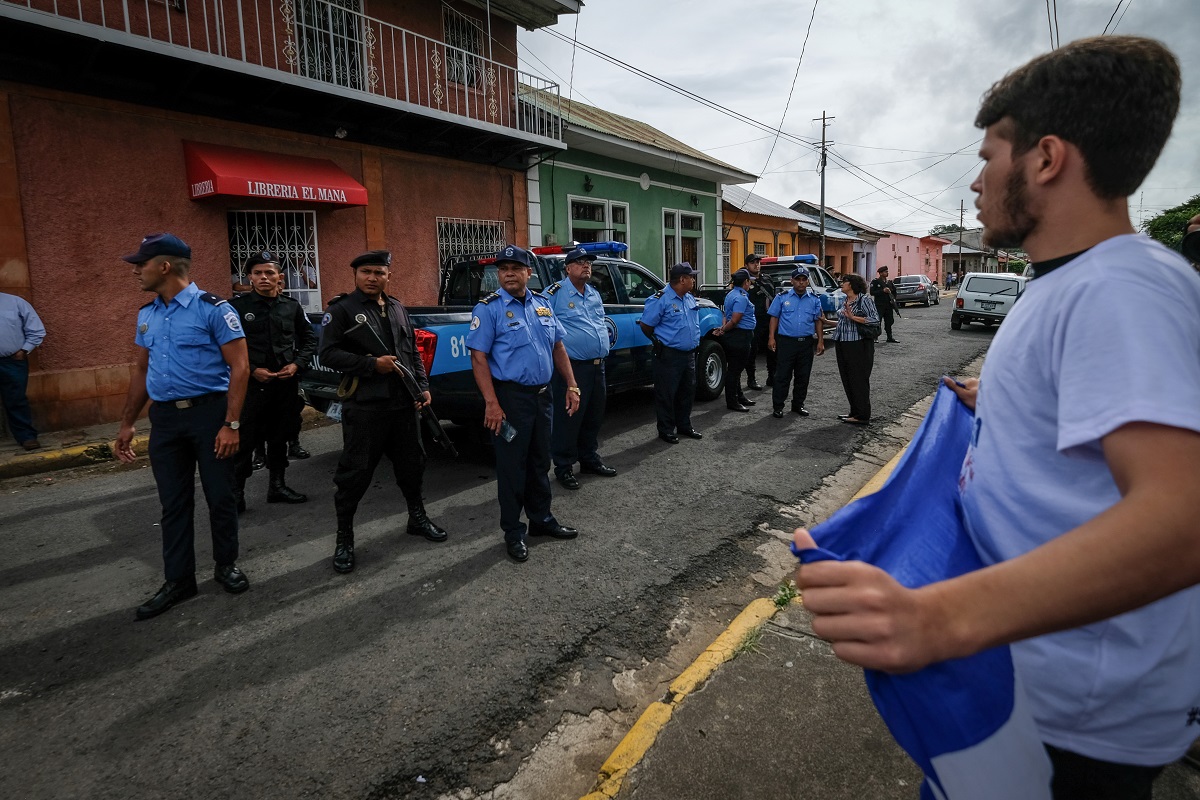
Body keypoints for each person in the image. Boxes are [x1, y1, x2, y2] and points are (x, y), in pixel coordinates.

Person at [793, 37, 1200, 800]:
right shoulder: (1069, 283)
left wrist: (940, 618)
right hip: (1026, 684)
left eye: (988, 157)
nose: (977, 183)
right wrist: (1009, 409)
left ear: (1045, 159)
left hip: (1073, 720)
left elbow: (1184, 518)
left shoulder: (1120, 288)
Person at [113, 233, 250, 620]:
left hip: (210, 415)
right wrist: (127, 424)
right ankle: (179, 580)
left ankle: (226, 565)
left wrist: (232, 424)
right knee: (173, 504)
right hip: (166, 420)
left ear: (165, 266)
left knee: (220, 496)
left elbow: (240, 368)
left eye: (141, 263)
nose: (136, 271)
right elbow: (141, 369)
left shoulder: (214, 309)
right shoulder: (147, 314)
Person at [319, 250, 448, 574]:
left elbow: (412, 352)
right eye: (366, 272)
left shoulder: (397, 308)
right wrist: (370, 365)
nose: (373, 277)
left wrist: (422, 385)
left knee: (412, 465)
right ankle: (344, 538)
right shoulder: (342, 310)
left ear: (389, 275)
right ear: (356, 275)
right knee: (355, 474)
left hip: (402, 405)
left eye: (379, 272)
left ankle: (416, 518)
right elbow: (328, 353)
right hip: (366, 407)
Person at [467, 245, 581, 563]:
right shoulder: (488, 309)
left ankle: (541, 521)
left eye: (515, 268)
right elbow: (478, 358)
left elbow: (558, 346)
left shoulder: (543, 304)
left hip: (543, 396)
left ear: (528, 273)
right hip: (510, 400)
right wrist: (491, 403)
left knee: (539, 462)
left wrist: (571, 385)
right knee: (511, 467)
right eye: (503, 269)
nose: (508, 274)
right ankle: (513, 531)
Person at [229, 252, 317, 511]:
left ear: (280, 277)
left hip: (284, 385)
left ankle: (277, 486)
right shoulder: (236, 308)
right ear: (250, 278)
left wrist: (297, 364)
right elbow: (224, 348)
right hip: (251, 386)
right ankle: (236, 494)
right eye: (258, 273)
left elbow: (308, 339)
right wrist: (253, 369)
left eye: (269, 273)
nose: (264, 278)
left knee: (280, 437)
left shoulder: (291, 306)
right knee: (244, 440)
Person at [545, 247, 618, 490]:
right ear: (567, 268)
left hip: (598, 366)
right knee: (568, 418)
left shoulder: (594, 293)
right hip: (572, 368)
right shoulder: (555, 293)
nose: (586, 265)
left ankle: (589, 458)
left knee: (593, 416)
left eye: (588, 262)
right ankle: (563, 467)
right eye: (579, 262)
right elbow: (542, 327)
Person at [640, 262, 720, 443]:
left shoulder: (689, 298)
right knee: (667, 394)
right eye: (691, 277)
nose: (693, 279)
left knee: (687, 391)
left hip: (689, 354)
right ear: (682, 279)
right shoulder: (661, 299)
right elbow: (646, 325)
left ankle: (684, 425)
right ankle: (666, 429)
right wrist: (660, 342)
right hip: (669, 355)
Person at [766, 267, 825, 419]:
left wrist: (820, 341)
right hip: (786, 342)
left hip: (806, 343)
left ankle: (798, 405)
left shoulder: (814, 299)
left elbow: (818, 321)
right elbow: (774, 317)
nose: (800, 282)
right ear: (792, 281)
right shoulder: (782, 297)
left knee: (803, 376)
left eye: (804, 279)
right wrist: (771, 337)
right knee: (782, 376)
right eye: (797, 279)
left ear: (807, 281)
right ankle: (778, 406)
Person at [0, 291, 46, 450]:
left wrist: (24, 350)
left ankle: (26, 437)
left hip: (12, 361)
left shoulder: (15, 302)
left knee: (16, 399)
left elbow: (36, 329)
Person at [831, 274, 878, 425]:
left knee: (858, 379)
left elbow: (874, 319)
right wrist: (826, 321)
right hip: (842, 342)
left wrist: (853, 318)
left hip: (858, 344)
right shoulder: (846, 300)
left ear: (851, 284)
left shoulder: (864, 299)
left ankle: (862, 415)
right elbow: (844, 322)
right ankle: (854, 411)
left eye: (844, 281)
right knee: (848, 378)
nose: (841, 283)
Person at [718, 269, 756, 412]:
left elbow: (725, 315)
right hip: (739, 336)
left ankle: (739, 396)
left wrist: (723, 328)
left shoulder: (731, 294)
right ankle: (732, 401)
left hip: (735, 335)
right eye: (749, 281)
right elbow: (734, 320)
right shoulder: (741, 297)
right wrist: (724, 329)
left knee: (736, 369)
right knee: (735, 370)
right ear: (746, 282)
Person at [743, 252, 778, 388]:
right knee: (752, 351)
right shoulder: (744, 280)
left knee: (772, 348)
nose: (756, 265)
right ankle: (751, 378)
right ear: (746, 265)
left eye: (758, 262)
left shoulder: (767, 278)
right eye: (753, 263)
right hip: (752, 319)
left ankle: (772, 376)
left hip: (768, 318)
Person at [869, 265, 899, 343]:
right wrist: (882, 291)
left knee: (889, 321)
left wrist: (893, 299)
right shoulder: (875, 282)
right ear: (881, 273)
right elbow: (872, 292)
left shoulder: (889, 282)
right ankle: (875, 337)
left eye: (887, 271)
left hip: (888, 305)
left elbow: (894, 291)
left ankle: (889, 337)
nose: (887, 273)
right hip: (879, 305)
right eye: (885, 272)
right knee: (878, 321)